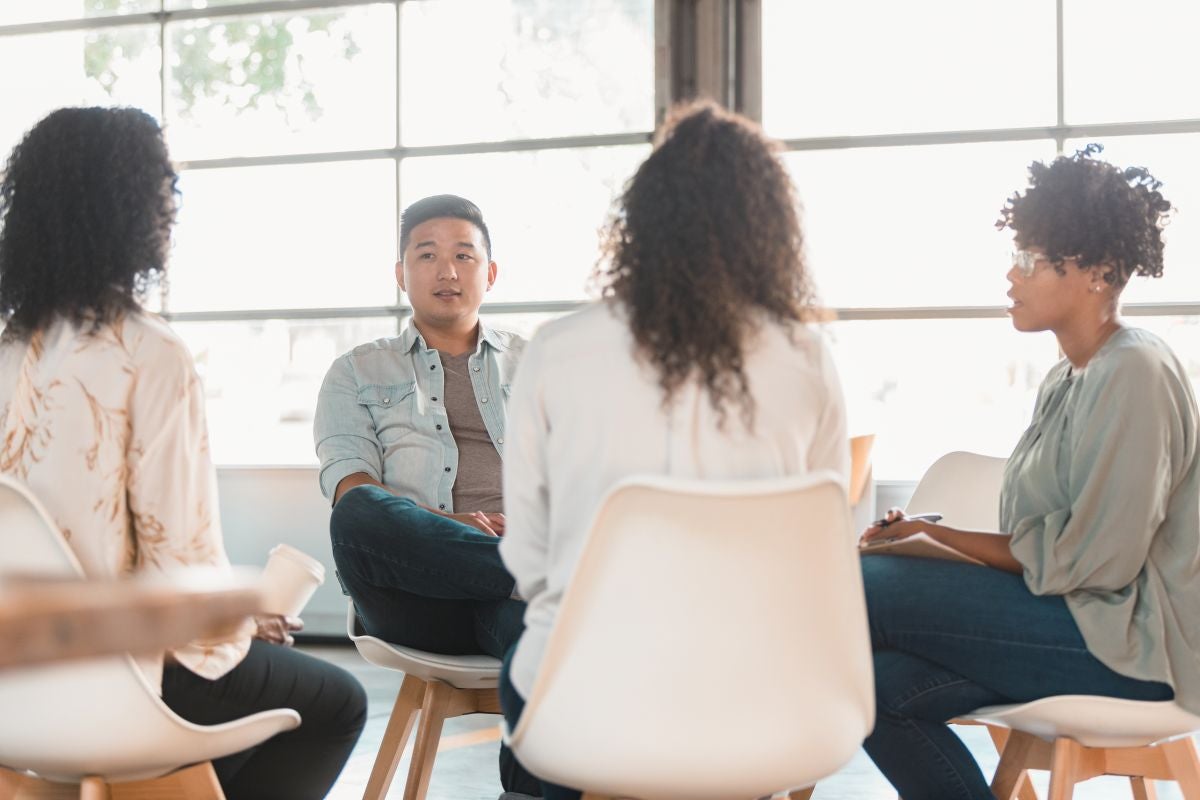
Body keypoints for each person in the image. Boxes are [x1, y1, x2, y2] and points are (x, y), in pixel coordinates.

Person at [0, 107, 366, 800]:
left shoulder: (6, 347)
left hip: (11, 686)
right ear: (129, 208)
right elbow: (179, 561)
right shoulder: (150, 355)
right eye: (164, 183)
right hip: (117, 682)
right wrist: (237, 621)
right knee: (336, 704)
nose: (171, 200)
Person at [496, 101, 850, 800]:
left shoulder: (556, 350)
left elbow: (530, 564)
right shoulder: (808, 360)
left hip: (591, 704)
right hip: (766, 708)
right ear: (769, 234)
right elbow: (826, 552)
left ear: (643, 225)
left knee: (529, 660)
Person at [858, 145, 1200, 799]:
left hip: (1137, 652)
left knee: (863, 583)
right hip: (1075, 627)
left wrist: (946, 544)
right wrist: (932, 542)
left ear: (1098, 271)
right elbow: (1046, 541)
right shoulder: (1066, 380)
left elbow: (1096, 562)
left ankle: (721, 765)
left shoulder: (1135, 372)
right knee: (877, 686)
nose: (1011, 278)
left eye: (1029, 261)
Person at [314, 194, 539, 798]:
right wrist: (450, 525)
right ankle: (534, 573)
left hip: (519, 594)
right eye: (428, 255)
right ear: (401, 273)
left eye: (464, 255)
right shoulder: (356, 371)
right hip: (413, 596)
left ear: (489, 273)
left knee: (541, 638)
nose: (447, 271)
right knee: (357, 514)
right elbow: (350, 484)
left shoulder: (540, 364)